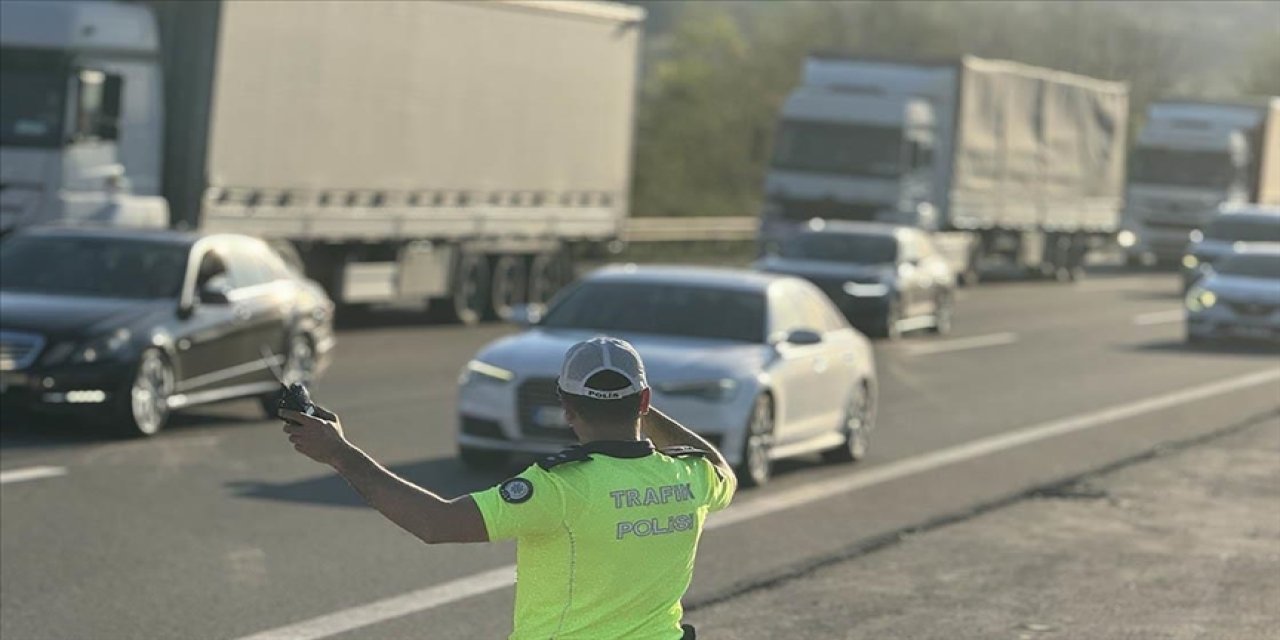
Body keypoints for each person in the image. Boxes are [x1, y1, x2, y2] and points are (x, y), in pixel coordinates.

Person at [281, 337, 737, 639]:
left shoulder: (560, 486)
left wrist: (339, 453)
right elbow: (722, 468)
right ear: (644, 400)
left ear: (565, 406)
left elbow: (436, 523)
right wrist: (641, 413)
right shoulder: (691, 477)